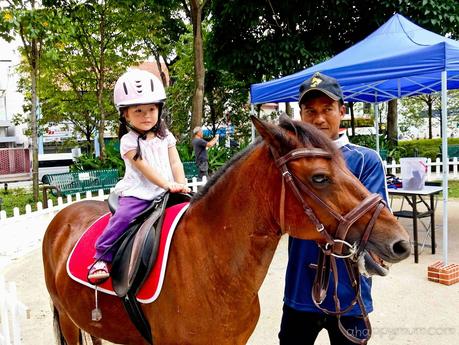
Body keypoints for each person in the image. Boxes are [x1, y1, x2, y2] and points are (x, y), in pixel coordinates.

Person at [279, 72, 389, 344]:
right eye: (310, 110)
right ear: (300, 114)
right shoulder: (289, 165)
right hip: (300, 288)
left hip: (349, 293)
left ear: (341, 110)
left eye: (327, 109)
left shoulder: (365, 161)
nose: (318, 119)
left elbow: (372, 228)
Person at [87, 69, 190, 283]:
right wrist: (168, 185)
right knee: (123, 217)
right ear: (125, 114)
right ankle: (101, 256)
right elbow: (146, 169)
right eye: (139, 111)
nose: (147, 116)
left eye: (152, 109)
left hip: (168, 187)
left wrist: (181, 183)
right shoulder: (129, 142)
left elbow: (175, 161)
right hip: (140, 192)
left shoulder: (166, 135)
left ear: (159, 109)